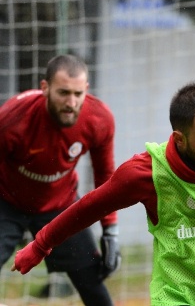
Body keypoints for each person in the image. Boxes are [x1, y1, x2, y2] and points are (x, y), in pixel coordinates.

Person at [12, 81, 195, 305]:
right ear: (180, 139)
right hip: (181, 292)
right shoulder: (145, 174)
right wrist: (41, 245)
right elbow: (88, 208)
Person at [0, 54, 119, 306]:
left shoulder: (99, 120)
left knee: (94, 284)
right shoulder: (12, 119)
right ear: (45, 88)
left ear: (86, 89)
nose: (71, 102)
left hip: (59, 206)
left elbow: (106, 176)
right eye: (63, 93)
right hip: (7, 203)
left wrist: (110, 231)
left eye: (78, 94)